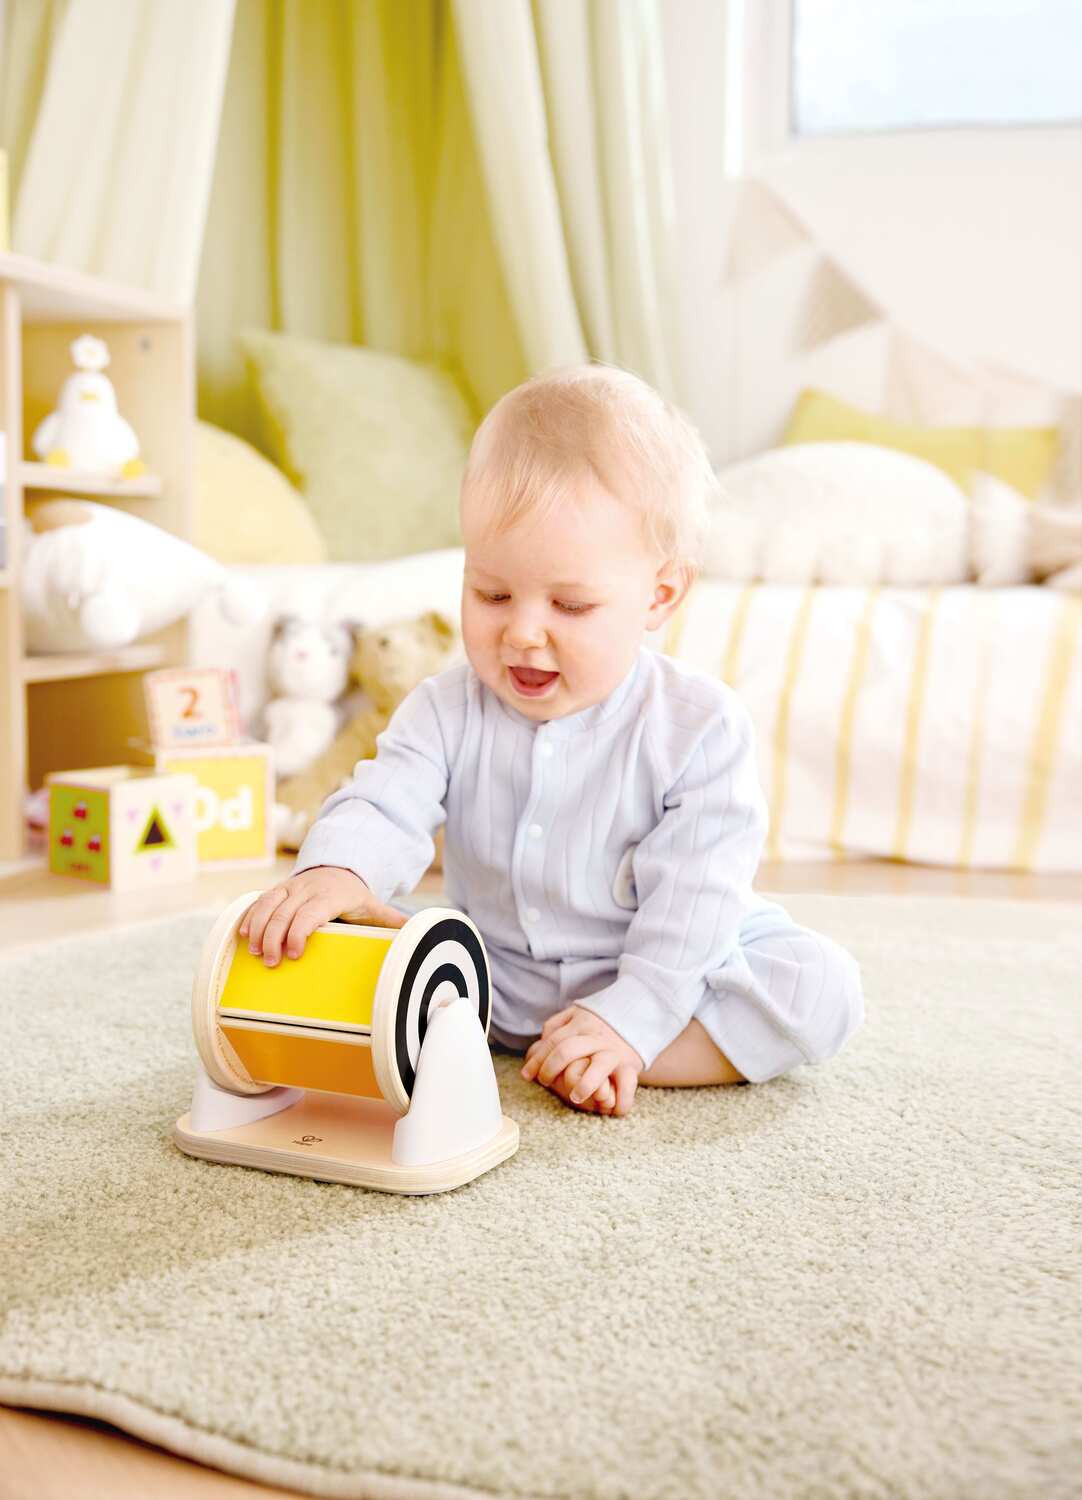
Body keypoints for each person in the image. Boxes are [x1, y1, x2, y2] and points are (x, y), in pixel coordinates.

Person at [240, 364, 863, 1116]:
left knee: (821, 987)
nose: (523, 632)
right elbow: (384, 797)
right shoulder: (446, 707)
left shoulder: (698, 727)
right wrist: (340, 871)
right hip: (497, 980)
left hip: (672, 966)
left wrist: (634, 1012)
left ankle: (624, 1049)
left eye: (570, 604)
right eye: (491, 593)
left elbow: (697, 899)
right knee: (375, 955)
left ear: (659, 595)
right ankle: (555, 1043)